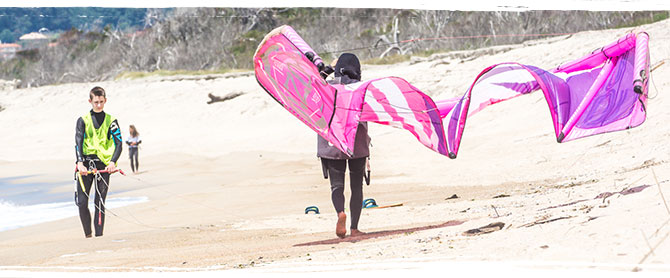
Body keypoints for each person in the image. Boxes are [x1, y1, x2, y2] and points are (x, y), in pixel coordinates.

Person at [317, 53, 371, 238]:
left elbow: (313, 81)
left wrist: (330, 68)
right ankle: (354, 228)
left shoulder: (325, 87)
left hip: (331, 143)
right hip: (357, 143)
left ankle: (340, 212)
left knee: (336, 186)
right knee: (357, 187)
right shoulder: (361, 88)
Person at [74, 86, 122, 238]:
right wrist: (80, 163)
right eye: (96, 102)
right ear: (90, 101)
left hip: (104, 165)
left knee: (99, 202)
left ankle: (99, 237)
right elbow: (78, 142)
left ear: (105, 100)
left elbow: (119, 143)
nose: (99, 105)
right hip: (86, 165)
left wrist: (113, 162)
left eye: (101, 102)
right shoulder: (82, 120)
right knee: (82, 203)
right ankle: (88, 235)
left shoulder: (112, 121)